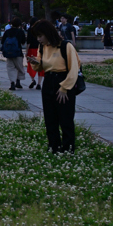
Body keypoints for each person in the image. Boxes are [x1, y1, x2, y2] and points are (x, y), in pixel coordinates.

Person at [26, 19, 81, 154]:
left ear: (48, 33)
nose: (39, 39)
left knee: (66, 118)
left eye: (40, 36)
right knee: (50, 118)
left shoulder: (66, 46)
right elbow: (42, 66)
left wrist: (64, 88)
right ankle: (54, 147)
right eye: (37, 36)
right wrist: (36, 62)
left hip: (63, 81)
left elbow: (74, 69)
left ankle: (68, 149)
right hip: (49, 81)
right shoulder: (42, 47)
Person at [1, 17, 27, 90]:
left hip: (8, 54)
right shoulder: (20, 32)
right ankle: (18, 81)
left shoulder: (7, 32)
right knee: (19, 67)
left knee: (10, 68)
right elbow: (23, 42)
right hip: (18, 53)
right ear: (19, 25)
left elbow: (2, 42)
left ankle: (12, 82)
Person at [25, 17, 44, 88]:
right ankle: (39, 83)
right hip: (39, 49)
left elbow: (28, 42)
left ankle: (33, 80)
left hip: (31, 49)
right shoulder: (41, 30)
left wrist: (26, 51)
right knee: (40, 64)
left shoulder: (30, 30)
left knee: (30, 64)